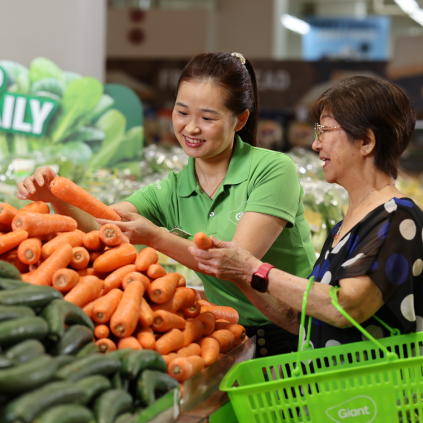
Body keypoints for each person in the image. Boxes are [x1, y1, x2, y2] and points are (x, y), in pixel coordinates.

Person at [16, 51, 315, 357]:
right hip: (233, 336)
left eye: (208, 118)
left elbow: (235, 263)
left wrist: (156, 237)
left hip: (299, 335)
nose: (191, 128)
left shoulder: (273, 170)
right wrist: (56, 197)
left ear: (240, 120)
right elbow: (104, 226)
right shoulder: (171, 189)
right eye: (182, 112)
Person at [189, 76, 423, 350]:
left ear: (366, 141)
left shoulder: (397, 217)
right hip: (331, 390)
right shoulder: (342, 228)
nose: (315, 144)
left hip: (370, 392)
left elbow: (344, 308)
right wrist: (239, 273)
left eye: (325, 130)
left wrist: (253, 267)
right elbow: (304, 320)